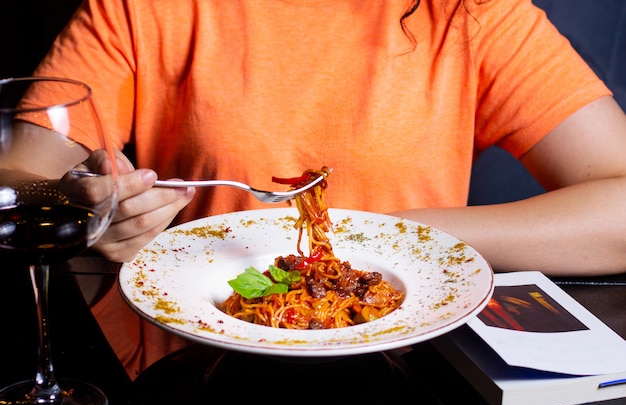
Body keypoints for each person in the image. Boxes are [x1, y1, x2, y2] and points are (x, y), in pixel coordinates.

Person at [15, 0, 626, 378]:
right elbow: (15, 179)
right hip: (182, 371)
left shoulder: (472, 11)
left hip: (411, 372)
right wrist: (83, 199)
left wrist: (403, 237)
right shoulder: (145, 7)